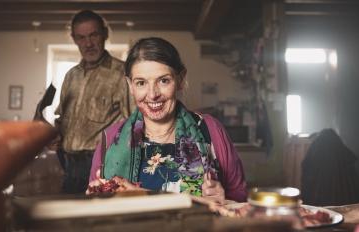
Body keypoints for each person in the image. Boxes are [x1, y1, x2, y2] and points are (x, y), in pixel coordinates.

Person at [88, 37, 247, 203]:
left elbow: (239, 199)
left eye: (163, 81)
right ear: (130, 85)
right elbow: (95, 208)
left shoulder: (210, 130)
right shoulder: (110, 139)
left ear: (180, 79)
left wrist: (224, 200)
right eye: (141, 83)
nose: (152, 94)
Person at [54, 10, 133, 194]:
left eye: (93, 35)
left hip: (103, 168)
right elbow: (62, 120)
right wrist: (54, 134)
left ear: (105, 34)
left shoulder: (122, 73)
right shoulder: (70, 76)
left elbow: (135, 126)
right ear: (74, 39)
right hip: (69, 168)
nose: (88, 43)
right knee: (68, 221)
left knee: (101, 222)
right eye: (81, 37)